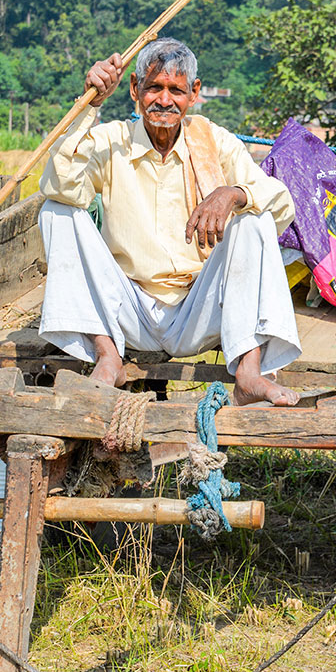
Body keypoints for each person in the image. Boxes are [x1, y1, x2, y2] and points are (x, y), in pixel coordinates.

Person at [37, 38, 301, 406]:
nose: (164, 100)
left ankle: (248, 373)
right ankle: (107, 356)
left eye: (175, 90)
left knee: (254, 220)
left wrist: (233, 194)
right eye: (154, 88)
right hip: (127, 311)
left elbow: (280, 202)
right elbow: (61, 184)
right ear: (134, 89)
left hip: (199, 310)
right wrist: (89, 106)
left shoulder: (212, 140)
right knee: (57, 210)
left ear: (193, 93)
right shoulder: (113, 140)